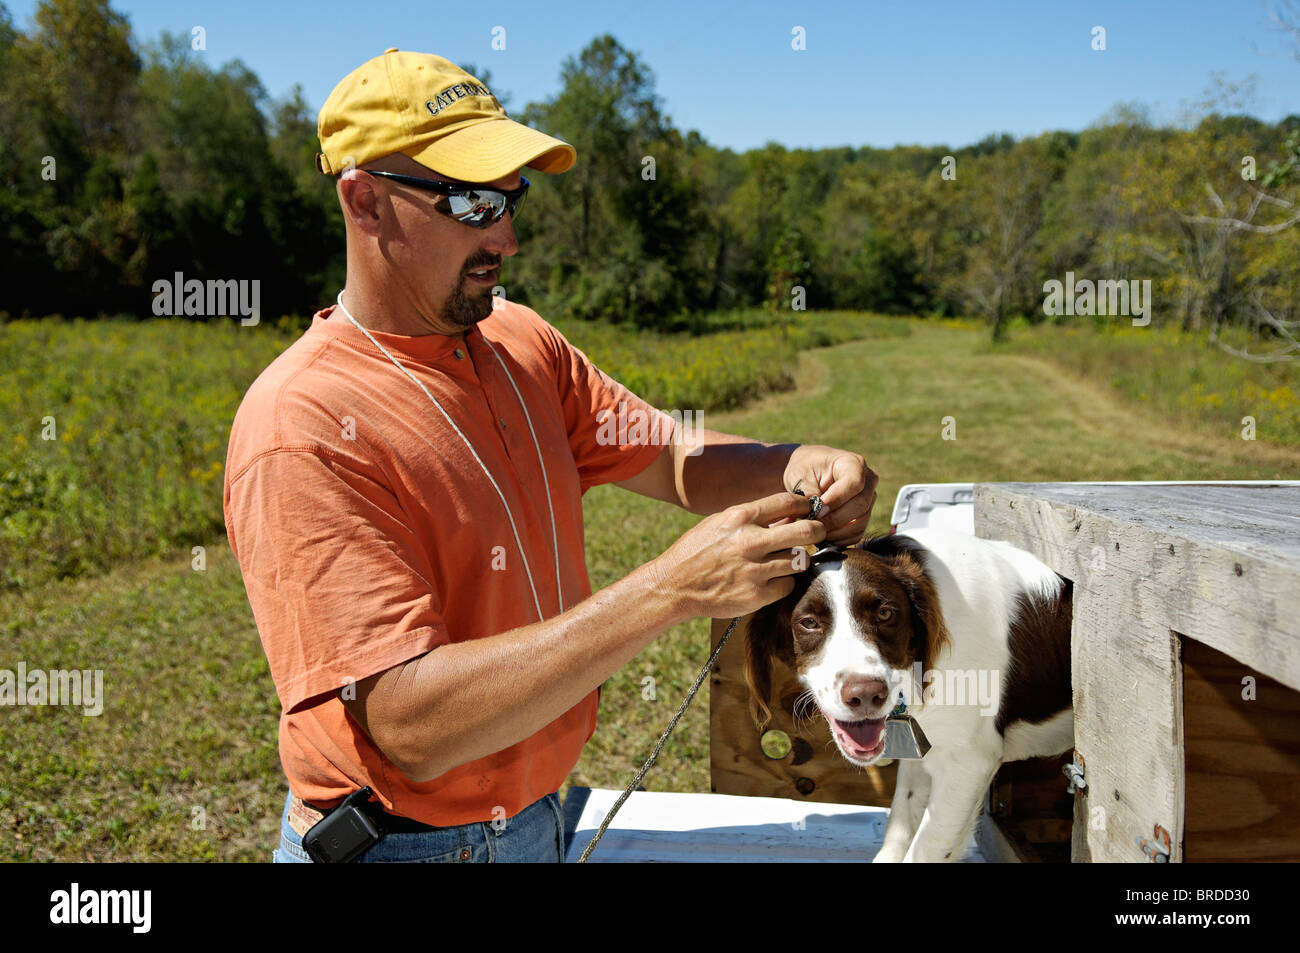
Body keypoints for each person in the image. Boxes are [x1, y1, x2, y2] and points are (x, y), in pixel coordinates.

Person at [222, 48, 879, 863]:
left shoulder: (517, 339)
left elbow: (671, 454)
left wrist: (792, 461)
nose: (508, 235)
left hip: (538, 818)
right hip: (402, 848)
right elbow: (408, 727)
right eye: (470, 201)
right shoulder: (303, 424)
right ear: (366, 204)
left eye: (511, 197)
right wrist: (667, 590)